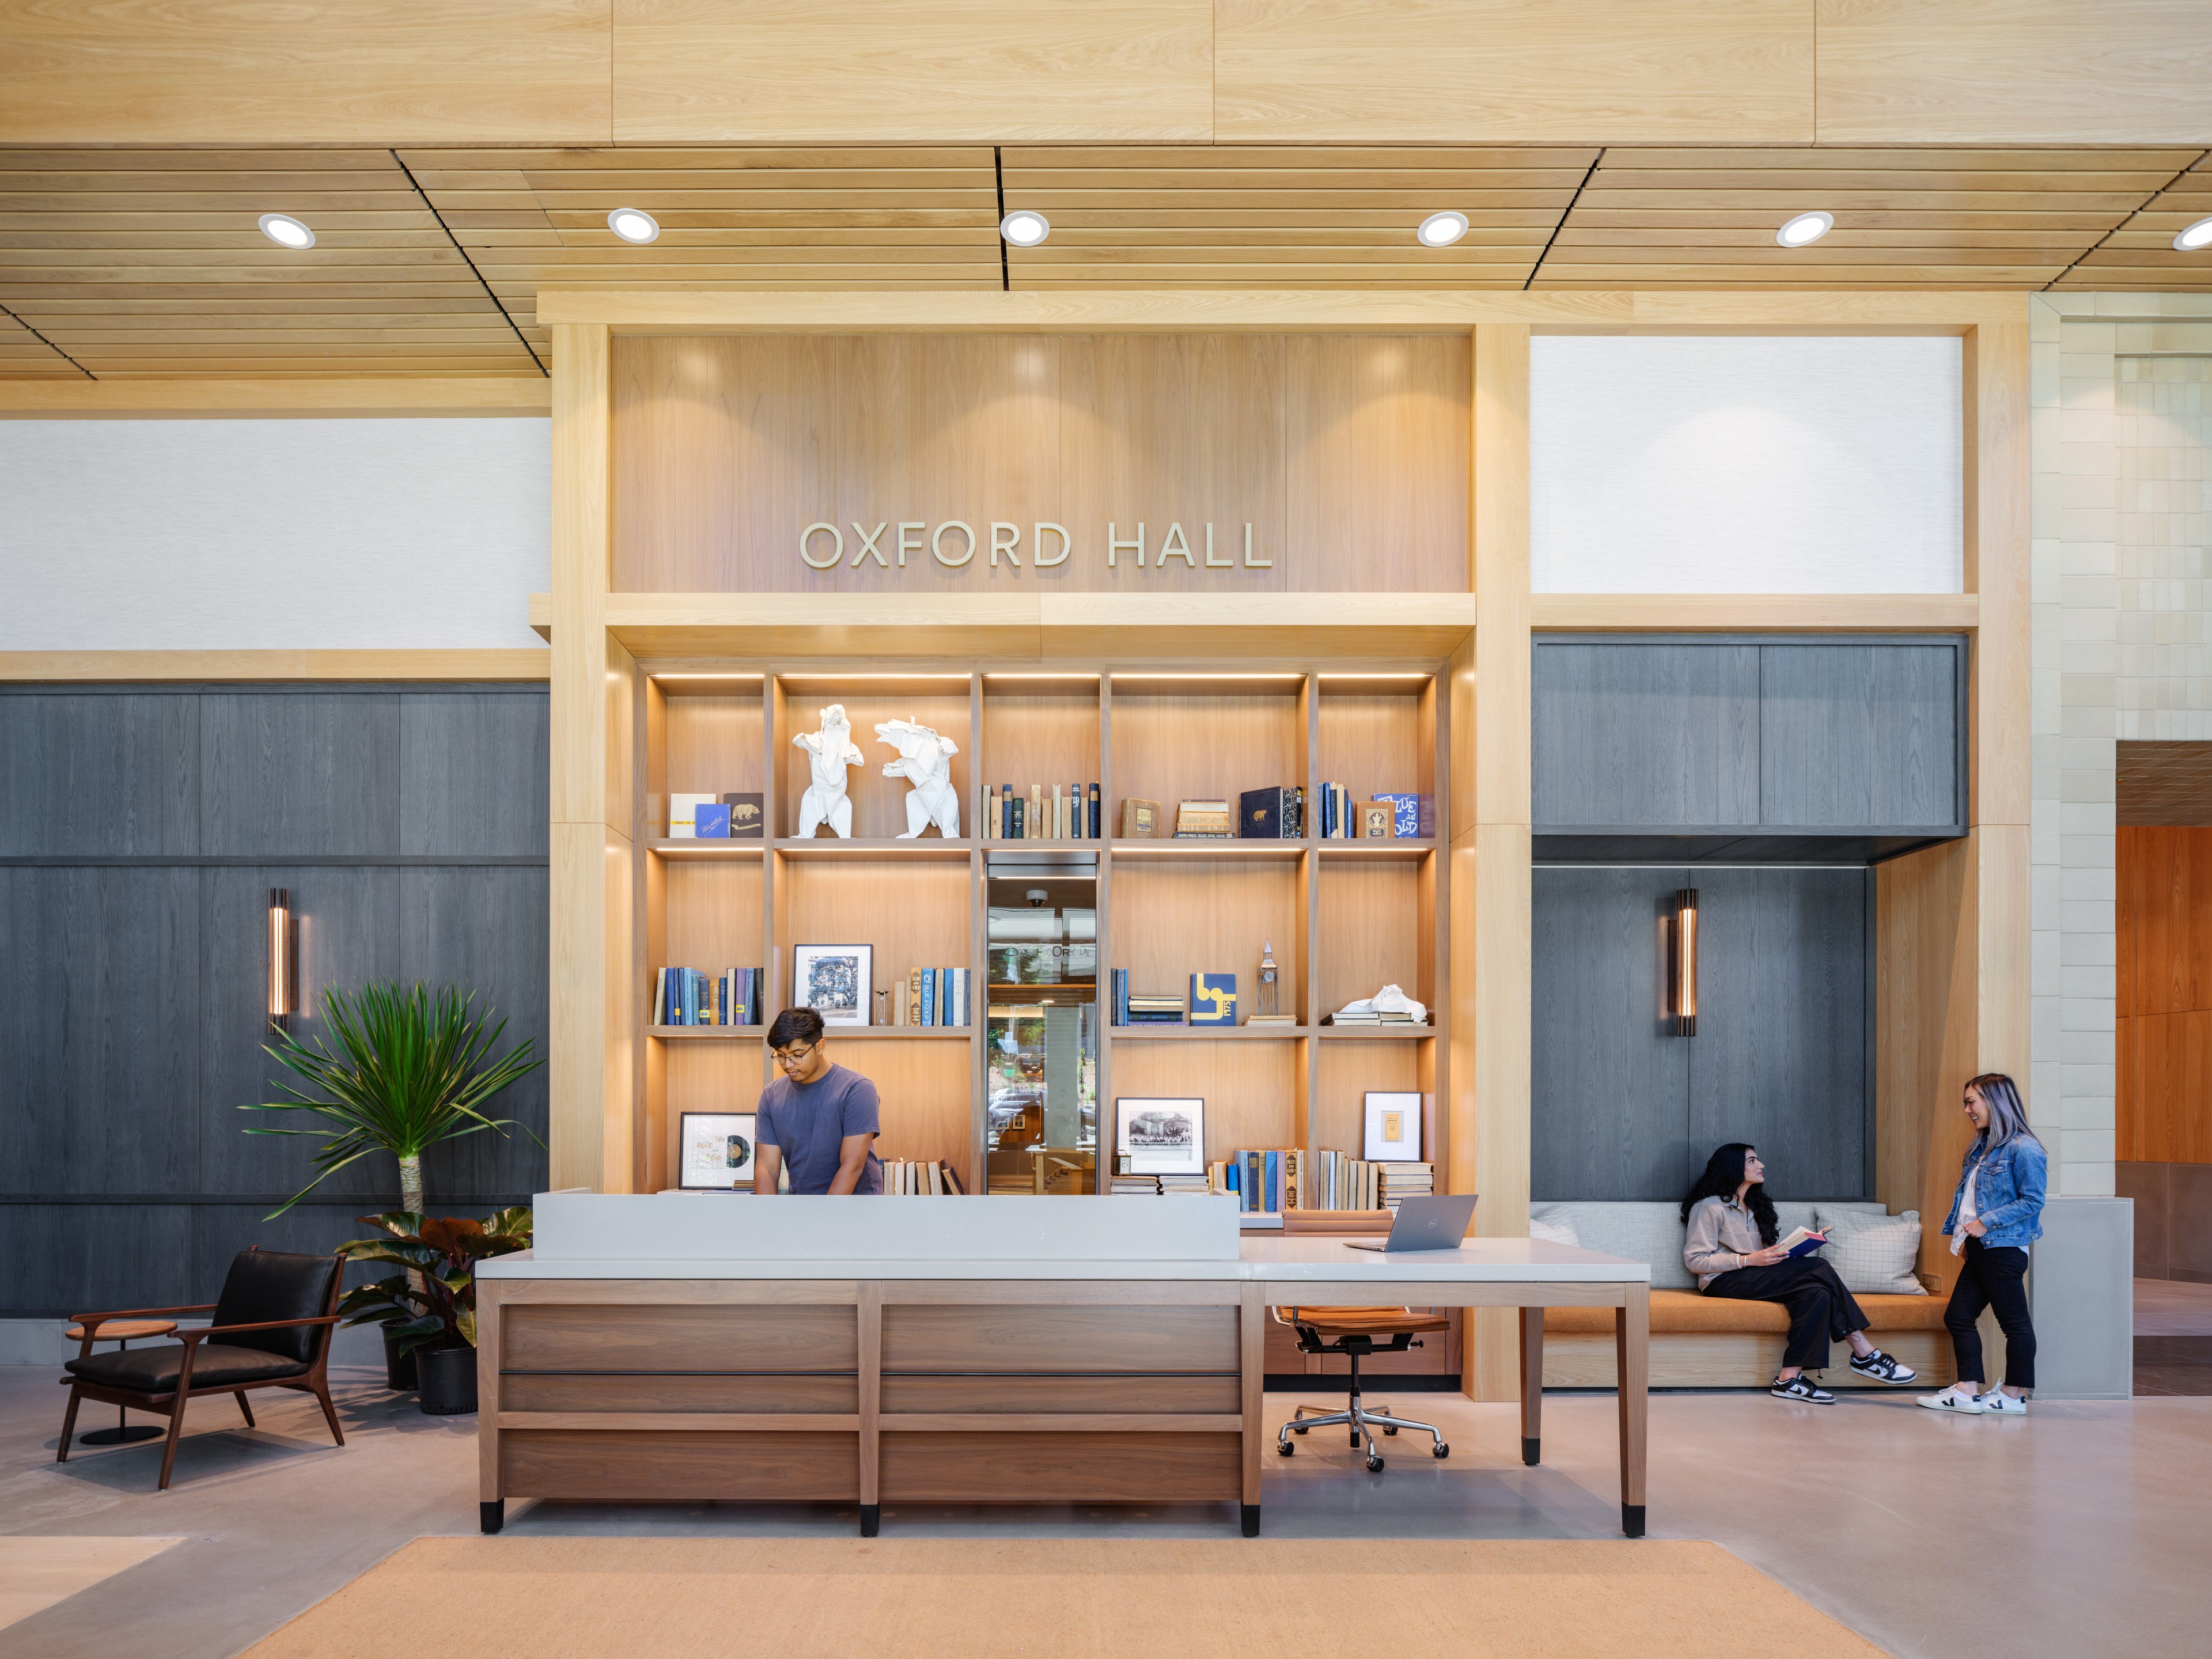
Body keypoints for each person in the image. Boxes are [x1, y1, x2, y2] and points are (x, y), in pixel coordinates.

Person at [1682, 1142, 1918, 1403]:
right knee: (1819, 1267)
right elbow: (1696, 1261)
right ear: (1732, 1167)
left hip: (1756, 1277)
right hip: (1723, 1281)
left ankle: (1788, 1380)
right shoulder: (1710, 1207)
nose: (1761, 1165)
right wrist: (1748, 1259)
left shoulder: (1755, 1206)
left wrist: (1791, 1250)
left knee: (1817, 1293)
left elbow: (1764, 1257)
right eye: (1752, 1161)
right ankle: (1865, 1353)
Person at [1919, 1073, 2046, 1416]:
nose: (1967, 1110)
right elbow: (1970, 1201)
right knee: (1959, 1316)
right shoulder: (1981, 1146)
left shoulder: (2025, 1148)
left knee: (2015, 1324)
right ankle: (1966, 1390)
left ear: (1995, 1101)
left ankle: (2013, 1395)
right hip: (1979, 1247)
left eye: (1971, 1101)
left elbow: (2033, 1201)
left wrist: (1984, 1224)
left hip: (2003, 1249)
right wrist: (1965, 1235)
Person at [752, 1007, 883, 1195]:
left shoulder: (857, 1089)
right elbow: (767, 1168)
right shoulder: (772, 1095)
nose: (788, 1065)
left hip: (857, 1209)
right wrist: (767, 1220)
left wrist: (824, 1221)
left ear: (820, 1046)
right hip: (802, 1207)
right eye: (780, 1056)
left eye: (797, 1055)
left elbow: (852, 1166)